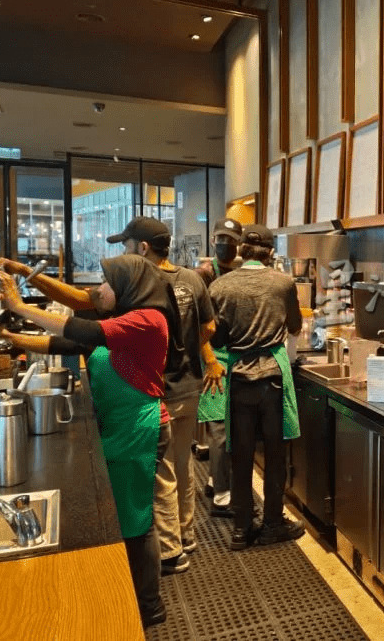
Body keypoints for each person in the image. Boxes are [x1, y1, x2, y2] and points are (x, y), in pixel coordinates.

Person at [0, 255, 180, 628]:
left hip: (139, 428)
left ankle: (148, 605)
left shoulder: (148, 321)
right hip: (121, 426)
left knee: (136, 520)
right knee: (127, 517)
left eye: (107, 283)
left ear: (130, 287)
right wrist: (11, 338)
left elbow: (85, 333)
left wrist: (17, 306)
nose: (98, 290)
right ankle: (133, 592)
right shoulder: (119, 319)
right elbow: (66, 343)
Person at [107, 216, 220, 575]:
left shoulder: (142, 283)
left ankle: (171, 551)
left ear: (142, 248)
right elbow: (210, 327)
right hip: (191, 385)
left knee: (162, 472)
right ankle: (186, 535)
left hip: (159, 389)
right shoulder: (192, 278)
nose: (125, 253)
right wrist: (187, 351)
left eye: (127, 246)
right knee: (184, 465)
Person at [207, 223, 305, 550]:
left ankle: (241, 528)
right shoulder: (283, 283)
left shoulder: (220, 286)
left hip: (239, 378)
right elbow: (294, 326)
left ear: (242, 249)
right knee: (275, 455)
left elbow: (217, 338)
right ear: (271, 251)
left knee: (241, 455)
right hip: (273, 378)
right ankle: (273, 523)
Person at [195, 216, 242, 518]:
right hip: (212, 355)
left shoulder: (237, 272)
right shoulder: (203, 274)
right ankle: (222, 497)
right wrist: (209, 359)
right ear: (213, 240)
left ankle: (215, 478)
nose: (224, 243)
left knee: (227, 424)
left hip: (233, 355)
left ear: (238, 244)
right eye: (220, 238)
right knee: (219, 426)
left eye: (230, 239)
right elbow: (195, 323)